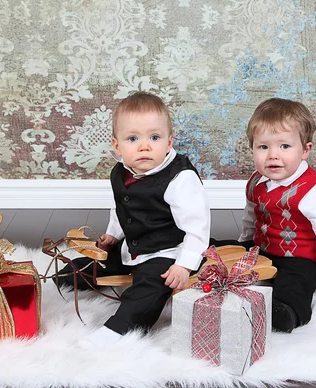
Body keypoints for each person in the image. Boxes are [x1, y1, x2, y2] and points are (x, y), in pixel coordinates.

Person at [57, 91, 211, 349]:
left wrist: (184, 266)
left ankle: (120, 329)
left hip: (169, 251)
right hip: (135, 246)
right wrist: (113, 236)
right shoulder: (120, 172)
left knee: (150, 286)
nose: (144, 146)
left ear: (169, 142)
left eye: (154, 137)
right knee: (86, 268)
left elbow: (198, 228)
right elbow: (121, 208)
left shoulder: (180, 178)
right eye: (132, 138)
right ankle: (73, 276)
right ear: (117, 146)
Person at [211, 97, 316, 333]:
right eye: (263, 147)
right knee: (214, 247)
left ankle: (285, 312)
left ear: (305, 150)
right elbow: (252, 216)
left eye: (284, 146)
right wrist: (244, 244)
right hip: (263, 247)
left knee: (295, 283)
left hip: (302, 258)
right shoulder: (256, 181)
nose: (273, 155)